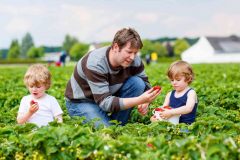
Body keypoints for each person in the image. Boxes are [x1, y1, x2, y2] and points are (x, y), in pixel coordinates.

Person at [65, 27, 161, 127]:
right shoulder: (95, 63)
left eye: (135, 52)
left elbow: (146, 86)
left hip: (107, 97)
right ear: (116, 47)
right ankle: (111, 124)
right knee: (107, 131)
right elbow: (105, 103)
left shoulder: (134, 60)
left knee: (138, 83)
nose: (132, 57)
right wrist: (139, 100)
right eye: (129, 52)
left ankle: (117, 124)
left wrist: (146, 102)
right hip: (82, 101)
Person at [151, 60, 198, 124]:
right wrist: (156, 116)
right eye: (172, 80)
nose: (174, 83)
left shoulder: (191, 93)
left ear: (188, 79)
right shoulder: (170, 94)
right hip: (170, 124)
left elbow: (188, 108)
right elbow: (163, 110)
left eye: (178, 80)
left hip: (186, 125)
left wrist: (171, 112)